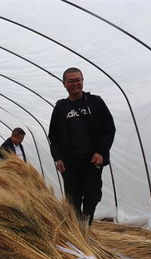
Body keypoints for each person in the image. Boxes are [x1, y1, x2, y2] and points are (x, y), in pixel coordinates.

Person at [48, 67, 115, 225]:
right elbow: (53, 136)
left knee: (93, 195)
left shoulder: (95, 102)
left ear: (83, 81)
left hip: (92, 160)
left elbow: (109, 129)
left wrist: (100, 152)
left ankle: (86, 221)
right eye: (71, 81)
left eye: (78, 80)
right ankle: (79, 231)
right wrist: (58, 158)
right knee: (73, 200)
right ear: (64, 84)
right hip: (70, 163)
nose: (75, 83)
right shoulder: (60, 107)